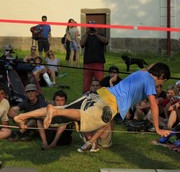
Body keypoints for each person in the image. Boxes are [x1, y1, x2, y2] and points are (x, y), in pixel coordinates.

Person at [14, 63, 172, 148]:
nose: (160, 84)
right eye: (163, 81)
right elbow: (153, 104)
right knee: (86, 119)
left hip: (99, 93)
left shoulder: (141, 72)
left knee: (67, 110)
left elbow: (150, 67)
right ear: (162, 76)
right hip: (110, 104)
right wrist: (157, 128)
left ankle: (23, 116)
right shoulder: (150, 80)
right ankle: (53, 109)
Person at [80, 21, 108, 94]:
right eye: (90, 26)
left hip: (98, 62)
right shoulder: (86, 35)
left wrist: (96, 34)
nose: (92, 28)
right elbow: (81, 44)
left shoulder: (100, 34)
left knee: (100, 81)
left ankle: (101, 95)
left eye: (94, 26)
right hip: (88, 62)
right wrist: (87, 34)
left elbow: (106, 41)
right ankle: (85, 96)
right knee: (87, 82)